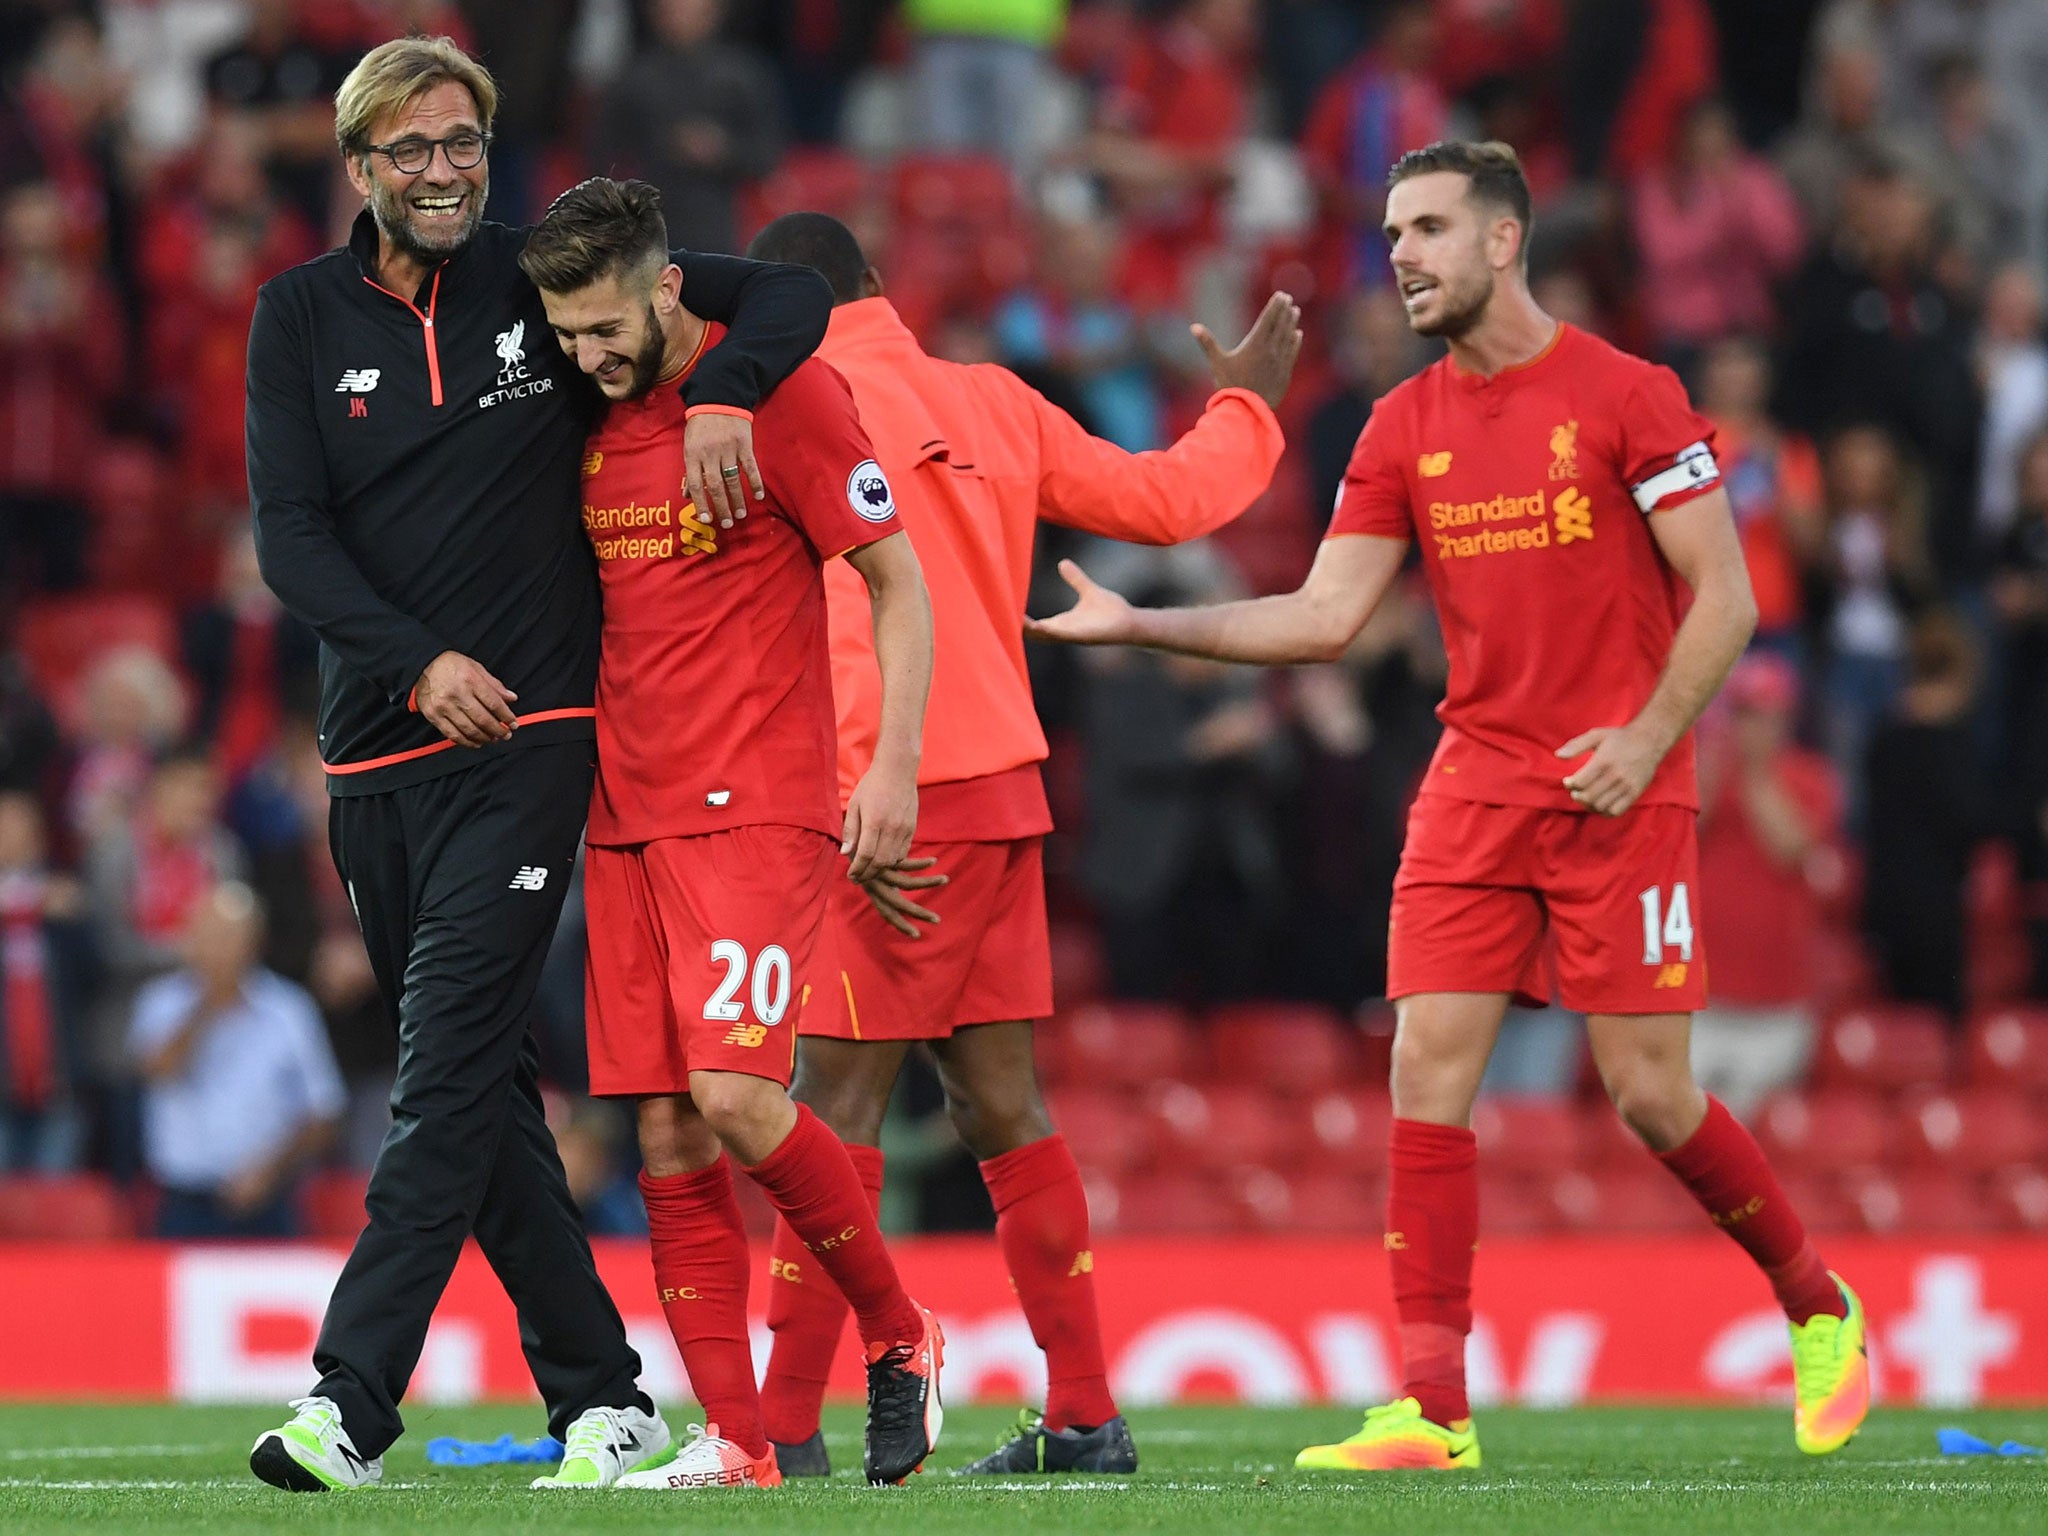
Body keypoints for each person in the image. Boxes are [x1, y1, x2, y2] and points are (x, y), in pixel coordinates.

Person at [1027, 140, 1869, 1470]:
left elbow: (1731, 596)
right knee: (1424, 1070)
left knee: (1651, 1097)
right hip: (1477, 784)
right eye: (1391, 230)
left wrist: (1648, 740)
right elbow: (1321, 617)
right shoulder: (1401, 422)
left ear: (1501, 242)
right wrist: (1142, 620)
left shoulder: (1629, 394)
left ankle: (1821, 1309)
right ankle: (1434, 1407)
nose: (1400, 254)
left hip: (1619, 782)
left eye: (1426, 228)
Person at [243, 35, 835, 1494]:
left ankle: (349, 1403)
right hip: (374, 760)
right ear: (361, 163)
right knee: (489, 1095)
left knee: (439, 1076)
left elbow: (795, 291)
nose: (443, 172)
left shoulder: (538, 281)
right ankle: (602, 1397)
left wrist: (723, 395)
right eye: (412, 151)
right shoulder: (297, 318)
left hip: (533, 742)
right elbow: (291, 542)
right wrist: (412, 662)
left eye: (463, 145)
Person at [742, 209, 1295, 1475]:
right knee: (1003, 1107)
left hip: (887, 798)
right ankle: (1088, 1416)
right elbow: (1168, 504)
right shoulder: (991, 398)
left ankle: (776, 1433)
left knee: (826, 1115)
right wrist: (1247, 413)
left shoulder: (788, 414)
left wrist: (849, 791)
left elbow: (842, 623)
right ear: (879, 285)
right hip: (1004, 795)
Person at [521, 177, 943, 1491]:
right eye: (564, 335)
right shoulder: (589, 417)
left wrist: (894, 769)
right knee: (664, 1137)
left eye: (602, 329)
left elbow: (897, 580)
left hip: (754, 802)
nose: (583, 357)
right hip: (623, 818)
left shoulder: (785, 398)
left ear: (665, 291)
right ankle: (741, 1444)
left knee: (740, 1097)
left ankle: (904, 1329)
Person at [129, 881, 344, 1237]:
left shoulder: (289, 1010)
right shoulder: (161, 1002)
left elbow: (325, 1112)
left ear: (255, 944)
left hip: (270, 1196)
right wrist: (207, 1005)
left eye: (231, 938)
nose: (220, 950)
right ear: (189, 940)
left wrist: (270, 1170)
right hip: (183, 1201)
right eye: (210, 936)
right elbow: (159, 1071)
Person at [1691, 656, 1841, 1115]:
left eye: (1761, 714)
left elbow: (1790, 848)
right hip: (1700, 996)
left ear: (1786, 718)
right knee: (1682, 1137)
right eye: (1741, 713)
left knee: (1752, 1147)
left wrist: (1756, 773)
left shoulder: (1809, 776)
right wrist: (1713, 766)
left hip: (1775, 1001)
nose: (1750, 726)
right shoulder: (1706, 769)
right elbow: (1682, 832)